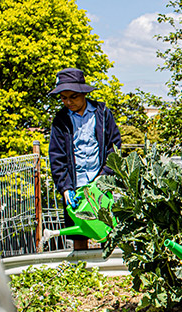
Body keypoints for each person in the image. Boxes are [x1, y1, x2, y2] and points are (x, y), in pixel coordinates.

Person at [48, 68, 121, 251]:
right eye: (63, 98)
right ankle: (82, 272)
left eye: (73, 97)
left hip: (100, 183)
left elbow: (114, 146)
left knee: (106, 228)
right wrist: (65, 187)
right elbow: (56, 156)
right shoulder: (60, 120)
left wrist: (105, 176)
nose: (68, 102)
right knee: (79, 232)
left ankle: (109, 270)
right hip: (75, 185)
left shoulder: (102, 113)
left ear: (84, 93)